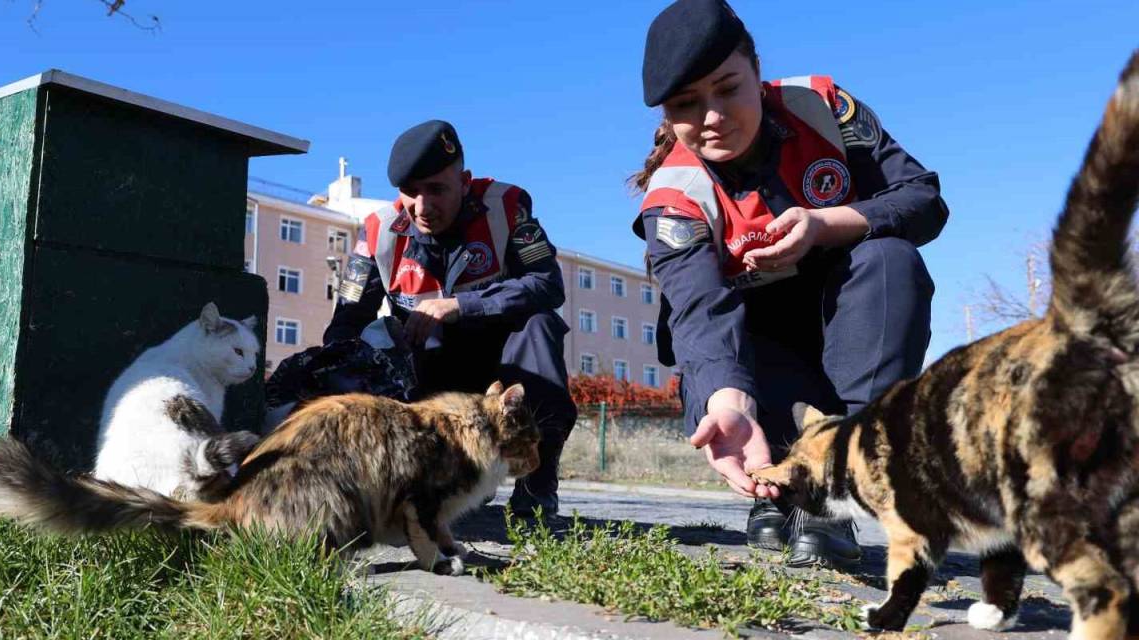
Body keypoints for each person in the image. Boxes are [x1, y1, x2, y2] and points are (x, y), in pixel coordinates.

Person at [633, 0, 947, 569]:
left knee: (888, 258)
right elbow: (700, 313)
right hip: (758, 348)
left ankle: (837, 484)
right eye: (686, 105)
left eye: (727, 89)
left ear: (757, 71)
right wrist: (728, 402)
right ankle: (778, 490)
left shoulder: (823, 109)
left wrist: (825, 223)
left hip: (854, 324)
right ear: (666, 115)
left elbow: (924, 199)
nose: (711, 117)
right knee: (749, 404)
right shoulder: (673, 199)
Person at [324, 119, 577, 517]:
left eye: (437, 189)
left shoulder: (507, 207)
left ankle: (537, 485)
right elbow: (346, 323)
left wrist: (460, 305)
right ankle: (405, 485)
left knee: (540, 325)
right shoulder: (378, 231)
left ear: (464, 181)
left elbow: (548, 284)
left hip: (504, 367)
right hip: (429, 371)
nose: (422, 207)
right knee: (374, 340)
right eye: (410, 192)